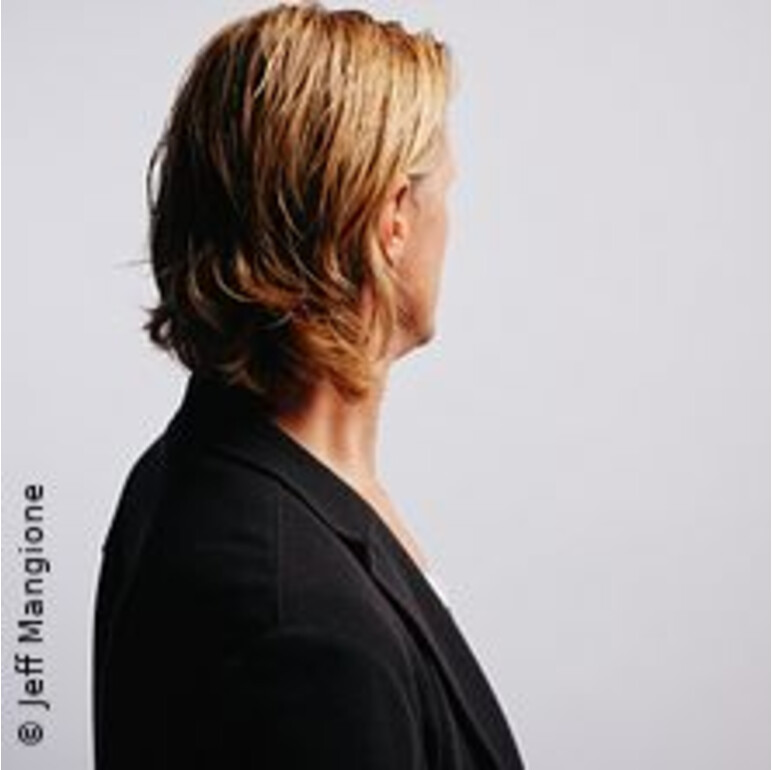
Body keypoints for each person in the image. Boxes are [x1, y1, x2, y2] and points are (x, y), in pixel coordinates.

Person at [92, 3, 527, 768]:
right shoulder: (302, 628)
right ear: (393, 219)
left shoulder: (201, 470)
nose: (450, 225)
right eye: (444, 191)